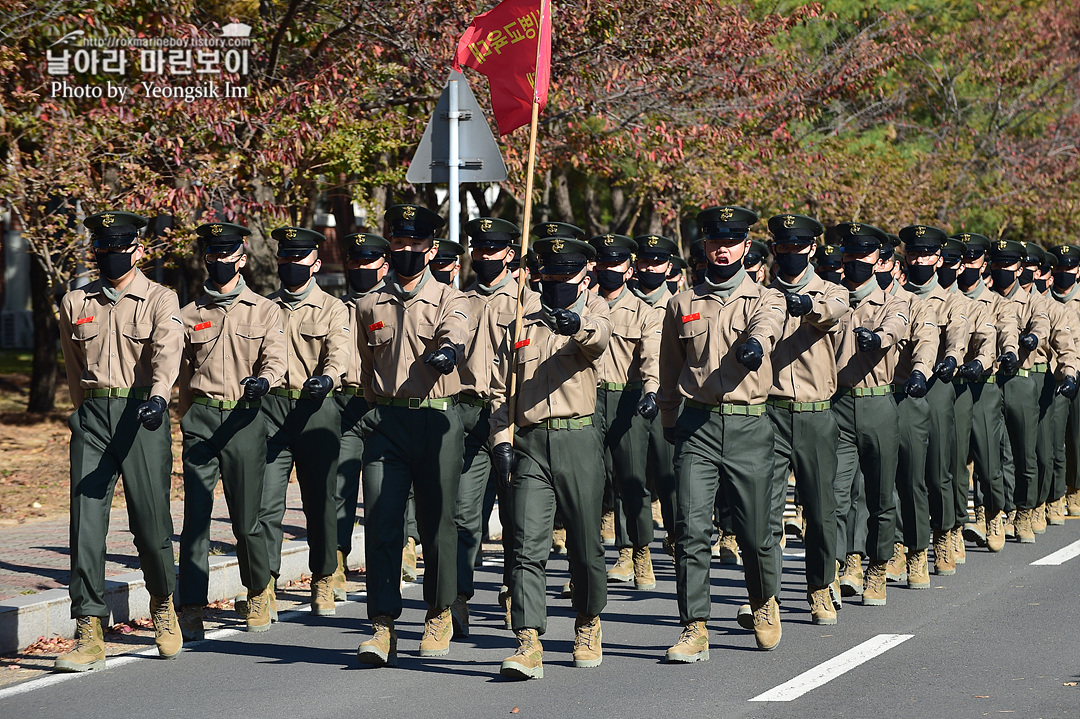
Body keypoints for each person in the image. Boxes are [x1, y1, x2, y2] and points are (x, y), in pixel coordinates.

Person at [56, 211, 184, 671]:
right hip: (92, 418)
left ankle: (164, 604)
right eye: (103, 251)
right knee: (85, 526)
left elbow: (168, 352)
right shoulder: (74, 301)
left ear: (138, 250)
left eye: (120, 250)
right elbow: (73, 364)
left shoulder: (159, 298)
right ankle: (89, 628)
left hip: (141, 416)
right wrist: (79, 411)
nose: (112, 258)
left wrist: (158, 398)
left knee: (151, 527)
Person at [661, 206, 787, 661]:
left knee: (755, 532)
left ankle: (764, 602)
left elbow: (766, 328)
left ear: (745, 247)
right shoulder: (681, 303)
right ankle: (694, 626)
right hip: (697, 424)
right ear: (705, 246)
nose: (722, 249)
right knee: (692, 528)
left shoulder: (767, 299)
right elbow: (670, 367)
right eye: (715, 241)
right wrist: (670, 421)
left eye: (731, 241)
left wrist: (754, 345)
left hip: (749, 424)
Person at [492, 224, 613, 680]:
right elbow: (500, 389)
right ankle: (528, 640)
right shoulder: (522, 319)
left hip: (577, 438)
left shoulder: (597, 309)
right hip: (529, 443)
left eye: (567, 273)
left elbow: (598, 339)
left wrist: (575, 324)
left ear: (585, 274)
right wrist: (501, 440)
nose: (558, 281)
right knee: (524, 543)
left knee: (584, 544)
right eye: (550, 273)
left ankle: (587, 621)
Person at [354, 204, 470, 666]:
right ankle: (382, 625)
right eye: (398, 244)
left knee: (437, 523)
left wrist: (448, 352)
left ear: (431, 248)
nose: (405, 251)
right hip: (385, 423)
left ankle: (439, 611)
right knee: (382, 523)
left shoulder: (449, 297)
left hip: (436, 419)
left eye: (414, 244)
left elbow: (455, 331)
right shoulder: (368, 304)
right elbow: (363, 367)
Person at [175, 222, 285, 641]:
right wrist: (187, 419)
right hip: (202, 418)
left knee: (247, 518)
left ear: (242, 258)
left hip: (245, 418)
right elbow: (182, 377)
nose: (220, 262)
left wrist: (265, 381)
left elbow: (277, 358)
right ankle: (191, 606)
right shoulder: (188, 314)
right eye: (213, 255)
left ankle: (258, 589)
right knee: (196, 519)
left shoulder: (265, 309)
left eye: (228, 255)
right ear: (206, 258)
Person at [259, 226, 351, 615]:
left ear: (314, 262)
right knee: (265, 505)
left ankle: (324, 578)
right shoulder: (264, 307)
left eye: (298, 258)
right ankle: (263, 586)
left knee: (320, 502)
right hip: (271, 410)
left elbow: (340, 352)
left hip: (316, 408)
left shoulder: (333, 308)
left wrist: (327, 379)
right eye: (285, 258)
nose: (290, 264)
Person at [764, 214, 850, 624]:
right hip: (770, 413)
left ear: (812, 249)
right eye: (783, 248)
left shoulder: (833, 291)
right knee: (766, 511)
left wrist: (805, 304)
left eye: (798, 247)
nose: (791, 254)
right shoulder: (760, 295)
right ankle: (766, 595)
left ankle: (819, 587)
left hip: (816, 414)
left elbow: (829, 312)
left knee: (819, 510)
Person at [830, 222, 909, 607]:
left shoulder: (895, 299)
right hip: (838, 403)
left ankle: (878, 565)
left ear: (878, 259)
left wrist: (876, 339)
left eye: (864, 256)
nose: (857, 262)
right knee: (837, 493)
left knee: (880, 494)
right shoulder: (832, 297)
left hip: (878, 402)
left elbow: (896, 327)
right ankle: (848, 563)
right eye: (850, 256)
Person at [454, 216, 524, 635]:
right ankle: (458, 599)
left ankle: (516, 594)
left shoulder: (525, 302)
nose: (483, 256)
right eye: (477, 249)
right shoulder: (458, 299)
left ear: (509, 254)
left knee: (518, 514)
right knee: (464, 516)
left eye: (492, 250)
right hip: (468, 415)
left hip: (513, 417)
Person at [589, 233, 661, 590]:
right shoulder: (582, 307)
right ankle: (585, 562)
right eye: (602, 263)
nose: (608, 270)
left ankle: (638, 552)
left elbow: (652, 358)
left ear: (629, 269)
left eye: (615, 264)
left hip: (627, 399)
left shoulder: (644, 312)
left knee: (631, 482)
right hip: (585, 401)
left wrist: (651, 391)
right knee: (588, 483)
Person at [899, 225, 971, 576]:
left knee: (939, 469)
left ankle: (943, 534)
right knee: (904, 472)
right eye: (913, 253)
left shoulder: (953, 299)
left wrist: (953, 358)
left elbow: (958, 332)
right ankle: (905, 544)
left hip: (939, 384)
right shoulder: (896, 295)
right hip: (902, 389)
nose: (919, 260)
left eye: (926, 254)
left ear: (938, 259)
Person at [332, 232, 391, 601]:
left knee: (386, 490)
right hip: (345, 404)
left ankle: (399, 550)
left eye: (368, 261)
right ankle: (337, 564)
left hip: (384, 407)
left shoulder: (393, 306)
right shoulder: (336, 307)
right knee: (340, 490)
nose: (360, 268)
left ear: (384, 265)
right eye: (354, 261)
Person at [956, 234, 1018, 551]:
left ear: (984, 263)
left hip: (984, 388)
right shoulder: (945, 298)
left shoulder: (997, 302)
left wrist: (1008, 353)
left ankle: (993, 513)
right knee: (949, 466)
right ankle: (951, 527)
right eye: (962, 258)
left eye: (973, 259)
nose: (967, 265)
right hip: (950, 388)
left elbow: (1006, 331)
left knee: (989, 464)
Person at [989, 239, 1051, 542]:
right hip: (989, 381)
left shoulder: (1033, 299)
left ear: (1019, 267)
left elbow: (1041, 324)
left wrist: (1033, 339)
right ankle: (1000, 511)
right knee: (993, 453)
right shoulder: (984, 298)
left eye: (1009, 264)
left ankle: (1026, 510)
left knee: (1025, 451)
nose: (1003, 269)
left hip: (1021, 380)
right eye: (998, 264)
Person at [630, 234, 682, 555]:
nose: (650, 267)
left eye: (657, 261)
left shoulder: (681, 304)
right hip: (629, 399)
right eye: (644, 260)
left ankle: (677, 539)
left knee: (669, 477)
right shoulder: (620, 302)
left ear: (668, 266)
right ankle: (636, 551)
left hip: (670, 401)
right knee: (632, 479)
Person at [1047, 244, 1080, 520]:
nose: (1062, 273)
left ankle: (1075, 488)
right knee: (1055, 436)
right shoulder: (1045, 299)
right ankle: (1056, 492)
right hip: (1055, 373)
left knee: (1077, 436)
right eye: (1057, 268)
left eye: (1068, 268)